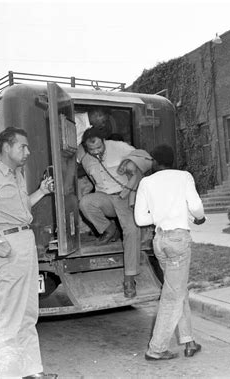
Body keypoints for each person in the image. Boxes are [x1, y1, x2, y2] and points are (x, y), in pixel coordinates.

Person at [0, 127, 56, 378]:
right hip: (8, 245)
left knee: (28, 311)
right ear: (6, 147)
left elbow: (20, 211)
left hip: (25, 239)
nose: (28, 151)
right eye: (23, 146)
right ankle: (10, 375)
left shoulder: (17, 174)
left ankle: (32, 371)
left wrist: (42, 191)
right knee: (10, 316)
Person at [134, 144, 205, 361]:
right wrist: (198, 217)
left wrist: (160, 217)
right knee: (173, 295)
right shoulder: (184, 177)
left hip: (160, 240)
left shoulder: (146, 182)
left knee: (176, 289)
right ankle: (156, 348)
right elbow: (196, 206)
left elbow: (140, 219)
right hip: (178, 239)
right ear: (173, 160)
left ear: (155, 162)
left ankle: (188, 340)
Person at [78, 127, 141, 298]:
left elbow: (144, 161)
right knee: (85, 203)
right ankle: (108, 229)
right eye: (92, 150)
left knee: (132, 231)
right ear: (86, 147)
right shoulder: (85, 159)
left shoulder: (120, 147)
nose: (96, 151)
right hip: (106, 198)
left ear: (103, 141)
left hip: (124, 196)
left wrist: (131, 188)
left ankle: (129, 278)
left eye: (99, 147)